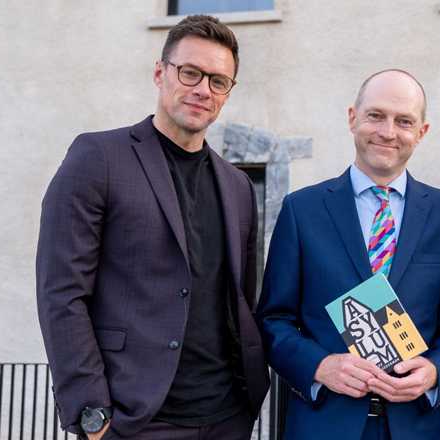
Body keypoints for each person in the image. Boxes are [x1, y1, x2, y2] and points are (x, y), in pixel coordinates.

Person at [36, 15, 269, 440]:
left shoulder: (238, 185)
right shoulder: (98, 157)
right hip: (135, 420)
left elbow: (242, 299)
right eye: (190, 72)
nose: (203, 89)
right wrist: (91, 414)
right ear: (160, 73)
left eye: (218, 81)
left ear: (227, 92)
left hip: (227, 417)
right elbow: (61, 292)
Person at [256, 69, 440, 440]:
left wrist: (436, 371)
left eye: (404, 121)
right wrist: (320, 366)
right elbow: (273, 319)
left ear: (421, 132)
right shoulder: (302, 210)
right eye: (376, 115)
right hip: (323, 425)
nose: (388, 132)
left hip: (415, 426)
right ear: (352, 118)